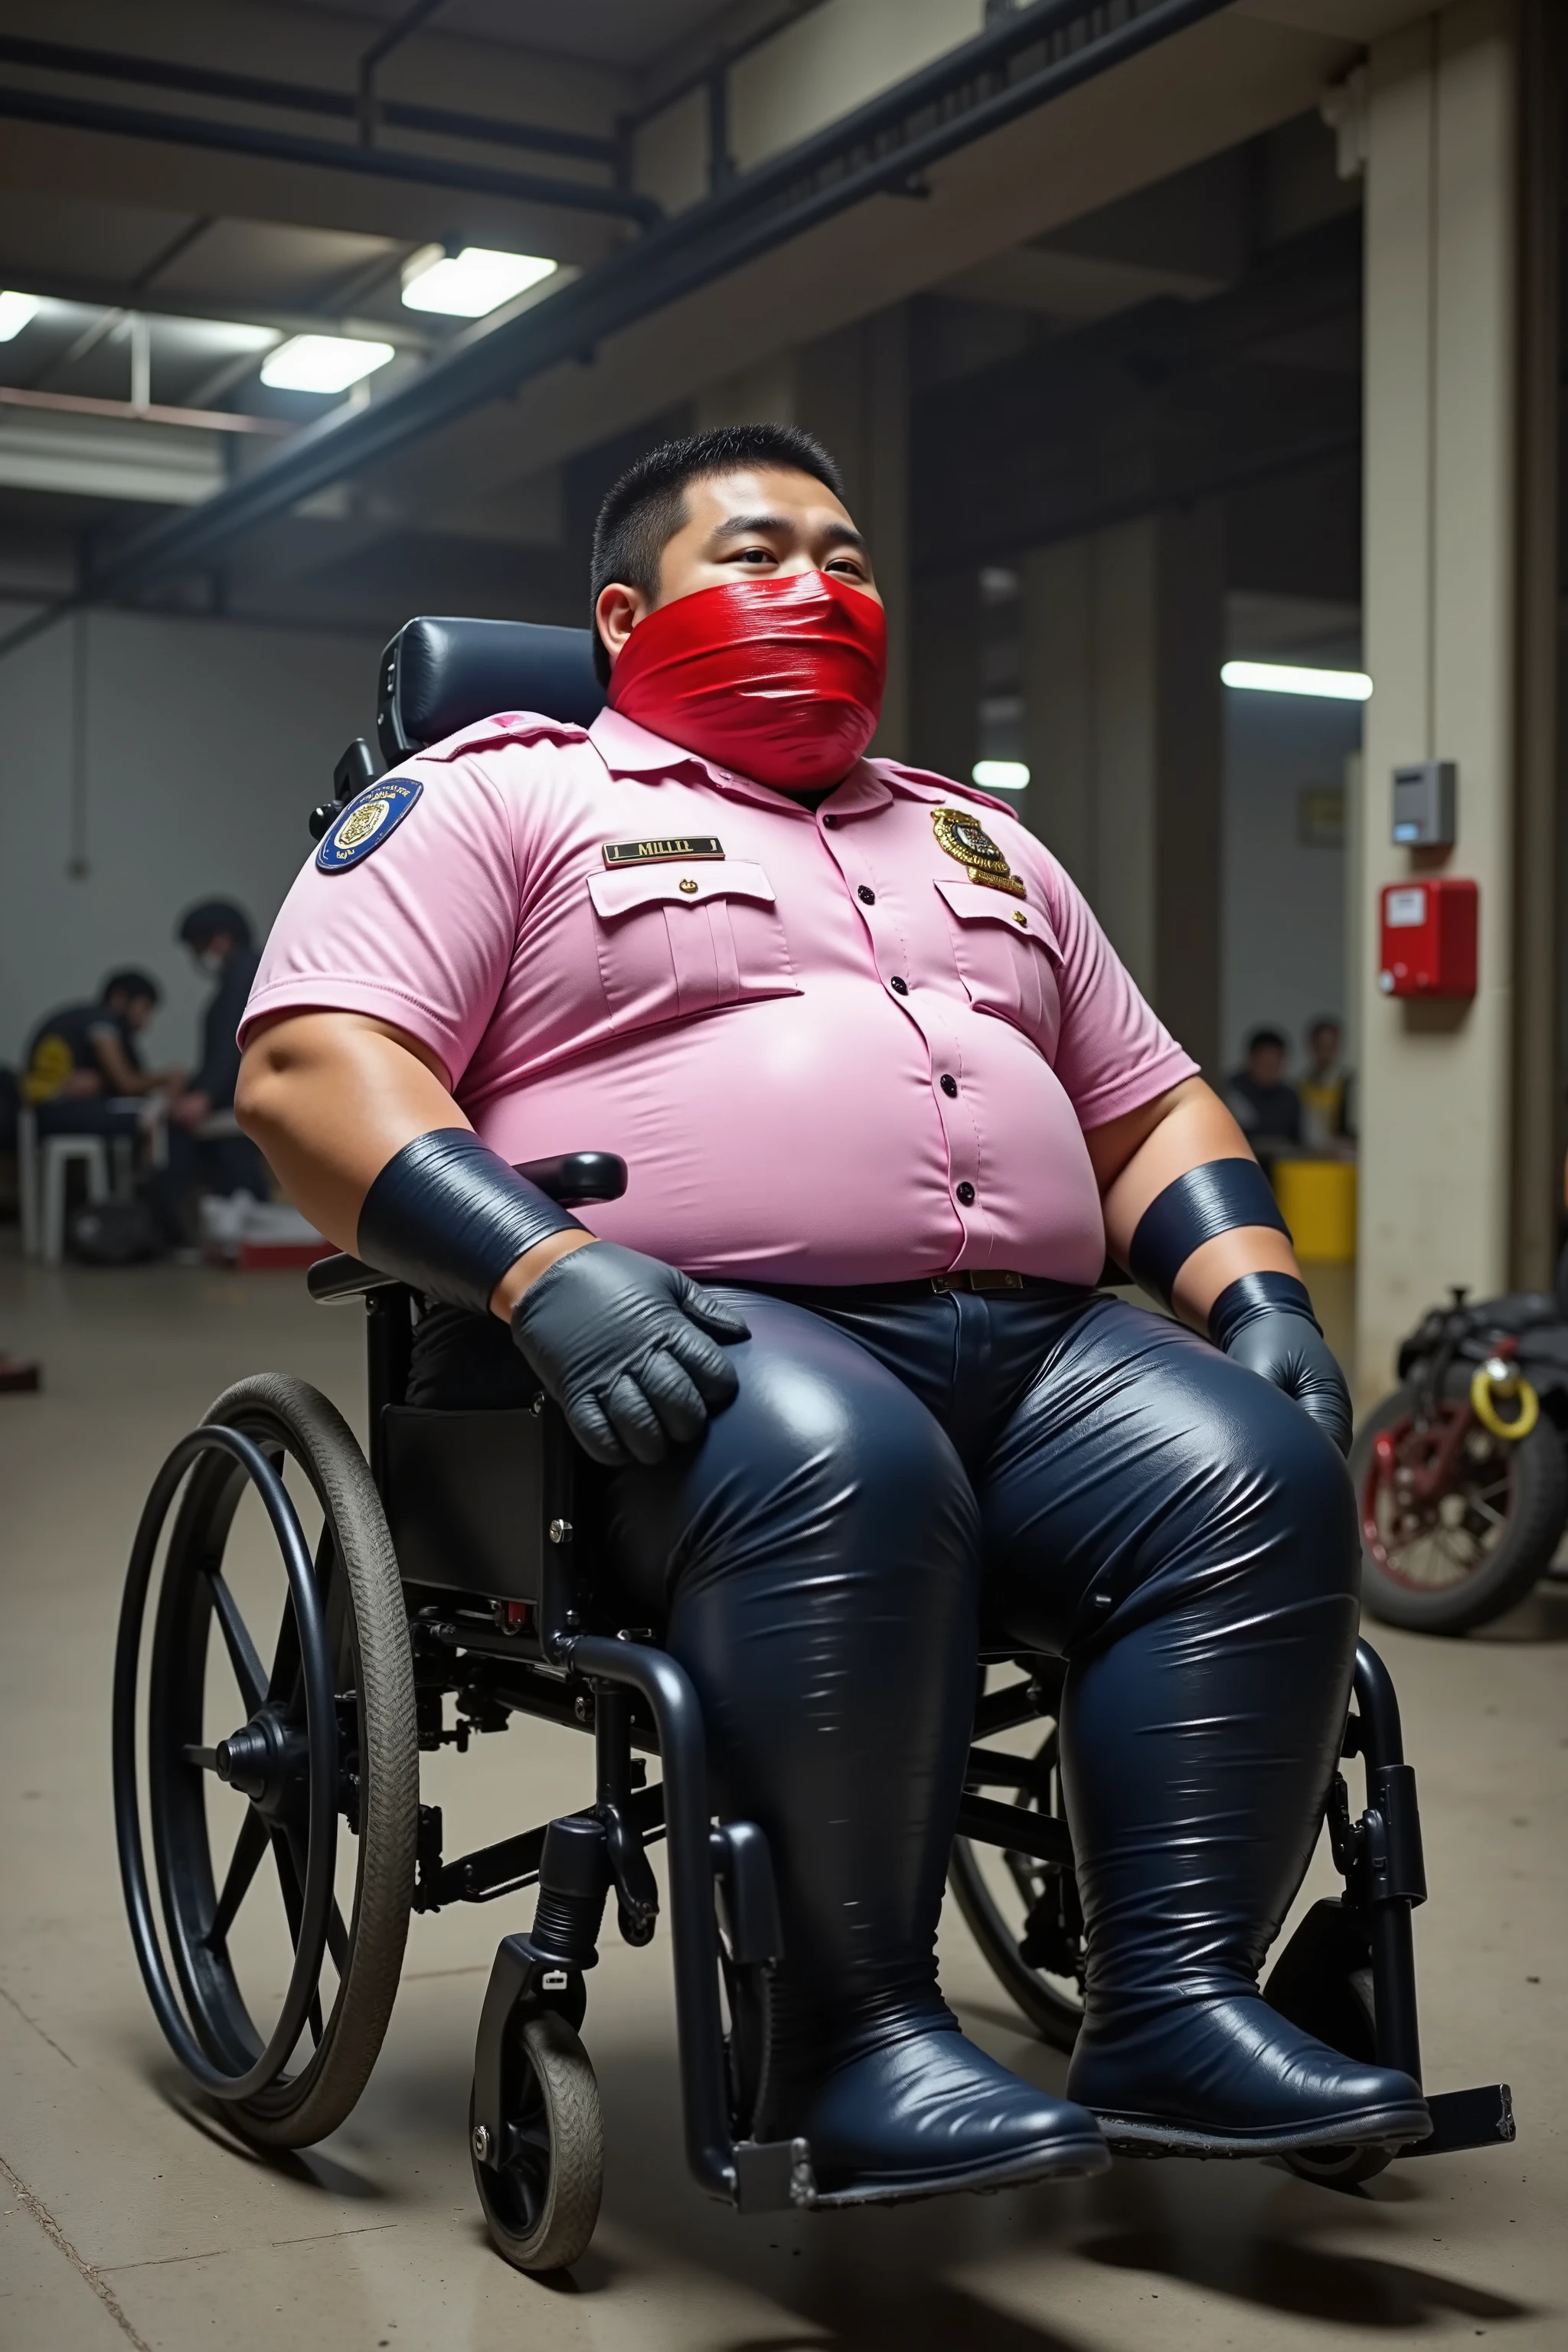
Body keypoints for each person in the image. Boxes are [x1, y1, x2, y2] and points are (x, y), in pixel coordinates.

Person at [235, 424, 1427, 2205]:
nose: (819, 585)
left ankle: (1176, 2008)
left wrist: (1256, 1301)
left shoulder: (977, 835)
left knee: (1253, 1472)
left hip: (1035, 1351)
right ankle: (847, 2044)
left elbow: (1144, 1104)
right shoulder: (503, 795)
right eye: (760, 552)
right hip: (665, 1345)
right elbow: (312, 1066)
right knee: (846, 1462)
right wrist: (545, 1269)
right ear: (624, 616)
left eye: (848, 560)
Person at [148, 903, 269, 1243]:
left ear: (220, 940)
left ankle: (176, 1236)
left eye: (198, 948)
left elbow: (236, 1043)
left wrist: (204, 1095)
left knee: (176, 1141)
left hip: (234, 1097)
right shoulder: (245, 973)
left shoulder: (243, 977)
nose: (198, 958)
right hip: (233, 1093)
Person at [21, 969, 175, 1138]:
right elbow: (126, 1083)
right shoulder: (101, 1023)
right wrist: (168, 1077)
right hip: (53, 1108)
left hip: (59, 1109)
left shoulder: (95, 1023)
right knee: (152, 1115)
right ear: (120, 999)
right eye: (144, 1009)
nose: (145, 1022)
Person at [1223, 1024, 1302, 1157]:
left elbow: (1299, 1141)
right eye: (1265, 1064)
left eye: (1275, 1066)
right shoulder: (1233, 1091)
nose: (1269, 1072)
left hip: (1281, 1162)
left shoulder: (1290, 1097)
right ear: (1251, 1059)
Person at [1298, 1015, 1352, 1152]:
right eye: (1321, 1046)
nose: (1326, 1051)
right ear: (1312, 1046)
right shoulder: (1301, 1084)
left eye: (1330, 1046)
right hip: (1307, 1152)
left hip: (1340, 1154)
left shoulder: (1349, 1083)